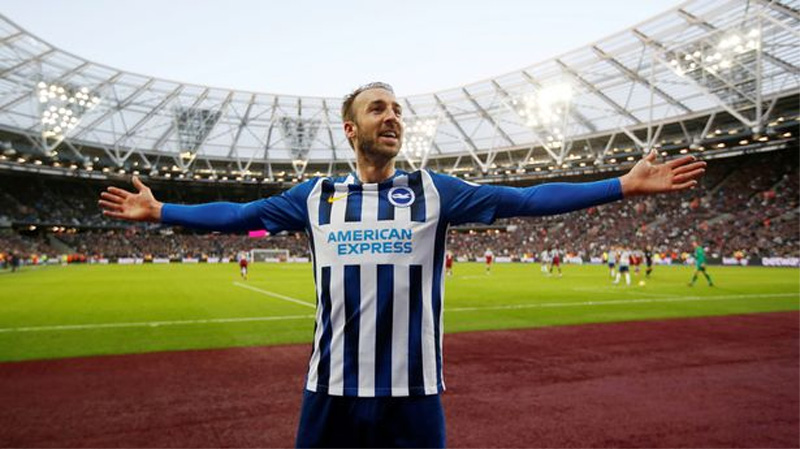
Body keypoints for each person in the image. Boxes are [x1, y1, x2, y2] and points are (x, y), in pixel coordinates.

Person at [98, 82, 705, 448]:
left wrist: (619, 186)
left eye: (397, 110)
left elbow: (526, 201)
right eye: (378, 108)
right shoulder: (314, 198)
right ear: (350, 127)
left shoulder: (435, 191)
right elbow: (239, 214)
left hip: (413, 394)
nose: (392, 116)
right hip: (330, 391)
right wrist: (161, 212)